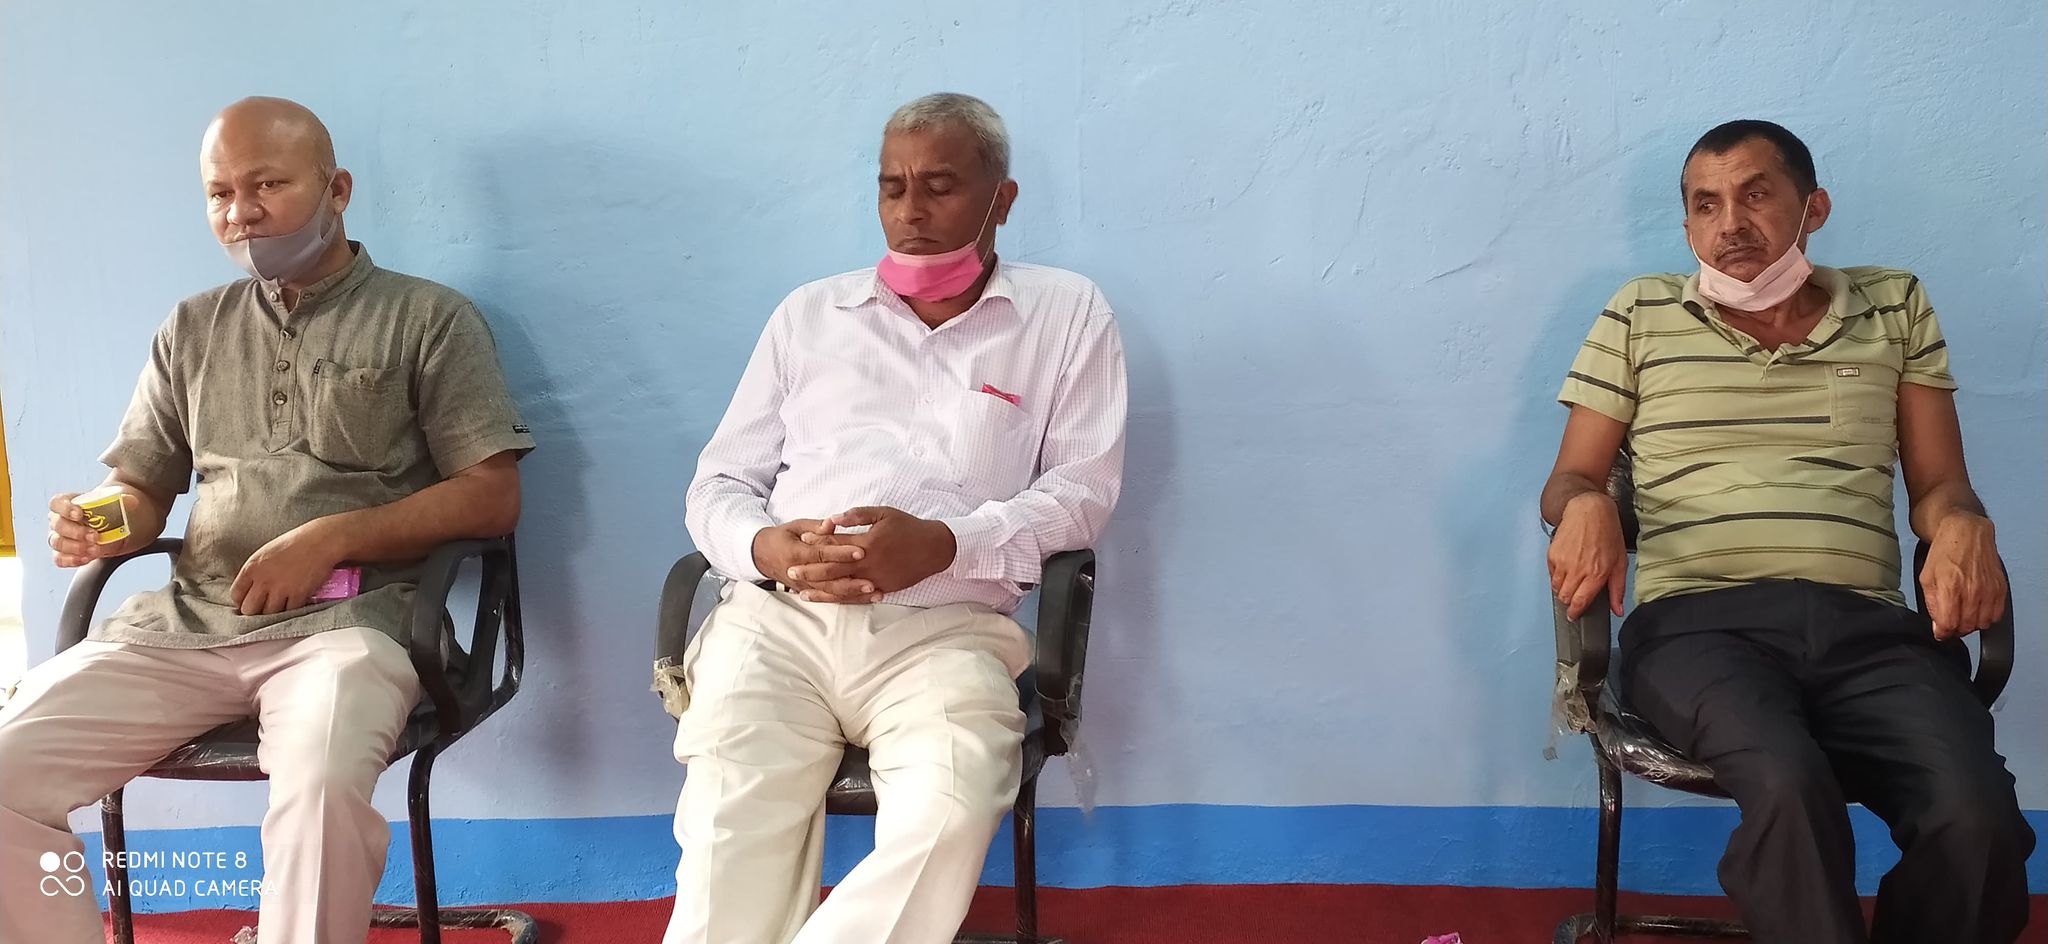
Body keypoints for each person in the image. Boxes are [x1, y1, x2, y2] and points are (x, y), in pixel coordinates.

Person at [0, 96, 534, 944]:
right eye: (220, 193)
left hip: (352, 629)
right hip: (186, 626)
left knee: (318, 792)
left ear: (337, 190)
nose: (241, 213)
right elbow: (141, 487)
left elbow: (491, 495)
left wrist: (333, 537)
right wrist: (104, 524)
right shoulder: (192, 327)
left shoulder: (429, 318)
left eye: (268, 185)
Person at [1542, 119, 2030, 943]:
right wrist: (1584, 503)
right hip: (1698, 629)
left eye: (1756, 195)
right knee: (1787, 782)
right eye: (1706, 205)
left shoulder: (1894, 305)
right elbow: (1570, 479)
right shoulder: (1640, 313)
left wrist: (1963, 523)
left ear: (1814, 208)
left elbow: (1940, 484)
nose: (1730, 223)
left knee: (1974, 814)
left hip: (1867, 632)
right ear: (1688, 226)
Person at [665, 92, 1127, 944]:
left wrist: (947, 544)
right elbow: (718, 482)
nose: (910, 211)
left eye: (939, 187)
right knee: (729, 837)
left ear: (1001, 200)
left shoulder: (1066, 316)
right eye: (892, 187)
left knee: (950, 811)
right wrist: (764, 546)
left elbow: (1082, 494)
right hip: (778, 625)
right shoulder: (810, 316)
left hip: (946, 636)